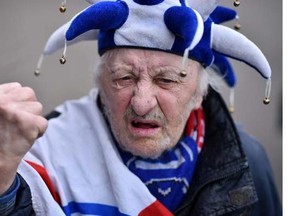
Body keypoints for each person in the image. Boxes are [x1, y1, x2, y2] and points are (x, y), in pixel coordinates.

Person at [0, 0, 281, 215]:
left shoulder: (247, 160)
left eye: (167, 80)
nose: (142, 102)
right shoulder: (45, 150)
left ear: (199, 94)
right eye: (124, 77)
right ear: (101, 83)